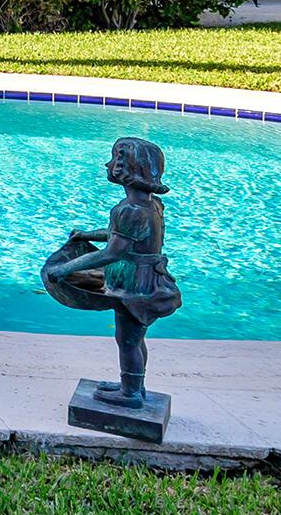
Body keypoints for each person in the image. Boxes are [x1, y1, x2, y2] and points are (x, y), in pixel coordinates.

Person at [42, 136, 183, 406]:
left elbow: (113, 252)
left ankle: (130, 394)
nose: (108, 164)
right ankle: (133, 385)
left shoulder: (129, 210)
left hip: (134, 284)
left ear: (125, 169)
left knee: (128, 339)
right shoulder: (149, 205)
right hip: (144, 278)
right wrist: (87, 234)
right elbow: (121, 237)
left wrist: (64, 269)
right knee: (133, 337)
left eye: (114, 159)